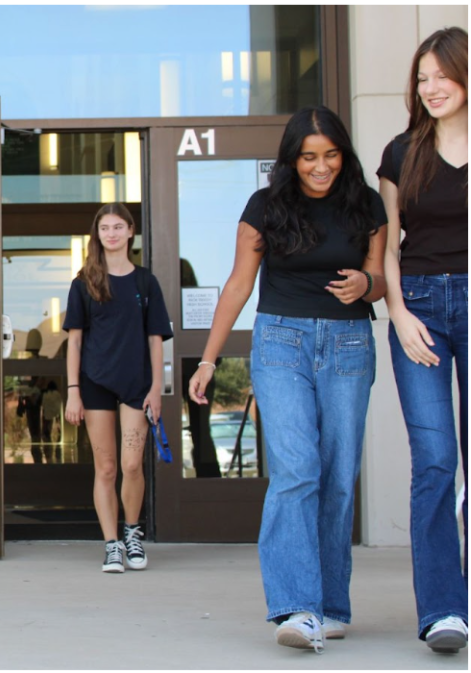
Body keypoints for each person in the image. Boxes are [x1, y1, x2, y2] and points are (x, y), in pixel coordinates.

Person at [188, 106, 387, 652]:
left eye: (330, 155)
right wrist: (208, 359)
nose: (320, 167)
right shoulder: (266, 206)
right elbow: (236, 286)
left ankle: (330, 604)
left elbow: (382, 281)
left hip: (349, 343)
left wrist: (366, 284)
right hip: (280, 342)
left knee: (339, 474)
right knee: (297, 471)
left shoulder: (366, 204)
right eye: (308, 157)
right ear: (292, 159)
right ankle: (297, 609)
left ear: (343, 155)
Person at [376, 26, 468, 655]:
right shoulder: (400, 153)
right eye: (421, 77)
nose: (430, 87)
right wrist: (401, 314)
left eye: (441, 75)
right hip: (422, 310)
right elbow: (386, 247)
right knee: (435, 462)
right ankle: (443, 612)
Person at [62, 203, 172, 574]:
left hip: (136, 385)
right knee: (106, 468)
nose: (111, 233)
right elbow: (74, 342)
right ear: (98, 234)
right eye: (104, 227)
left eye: (117, 227)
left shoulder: (146, 282)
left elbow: (156, 340)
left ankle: (132, 533)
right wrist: (73, 390)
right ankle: (111, 544)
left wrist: (157, 389)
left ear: (130, 232)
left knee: (131, 465)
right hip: (94, 385)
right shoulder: (84, 283)